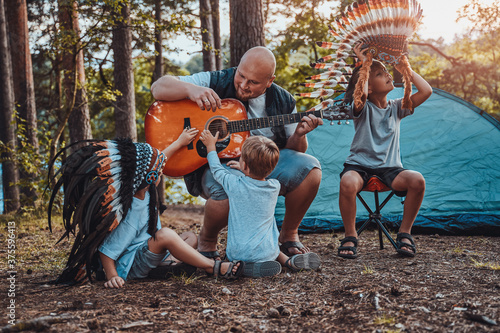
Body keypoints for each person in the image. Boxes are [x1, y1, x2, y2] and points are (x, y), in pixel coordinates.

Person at [150, 46, 323, 260]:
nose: (243, 84)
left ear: (270, 81)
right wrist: (190, 90)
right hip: (215, 164)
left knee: (310, 169)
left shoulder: (284, 101)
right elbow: (158, 87)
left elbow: (295, 151)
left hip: (261, 166)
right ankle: (207, 240)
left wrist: (299, 134)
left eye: (253, 82)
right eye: (241, 75)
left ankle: (288, 235)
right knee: (229, 185)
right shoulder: (217, 80)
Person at [47, 128, 244, 287]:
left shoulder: (144, 188)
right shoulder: (131, 212)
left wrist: (180, 142)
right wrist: (112, 276)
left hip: (146, 250)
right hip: (131, 264)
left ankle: (167, 265)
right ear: (149, 178)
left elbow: (157, 160)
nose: (161, 169)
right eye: (158, 170)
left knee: (190, 237)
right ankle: (213, 267)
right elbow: (106, 252)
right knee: (166, 235)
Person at [337, 44, 433, 259]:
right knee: (347, 182)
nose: (388, 75)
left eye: (387, 72)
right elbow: (359, 96)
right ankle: (351, 235)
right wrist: (365, 65)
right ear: (369, 87)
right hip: (359, 166)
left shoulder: (397, 107)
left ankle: (405, 233)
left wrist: (406, 69)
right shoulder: (361, 108)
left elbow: (427, 91)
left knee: (417, 180)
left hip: (390, 169)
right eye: (380, 74)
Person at [199, 131, 321, 277]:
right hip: (268, 250)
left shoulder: (234, 184)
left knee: (245, 252)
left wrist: (211, 147)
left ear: (245, 165)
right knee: (271, 239)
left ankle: (245, 268)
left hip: (238, 253)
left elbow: (217, 170)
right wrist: (247, 169)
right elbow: (262, 174)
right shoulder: (274, 186)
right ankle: (288, 262)